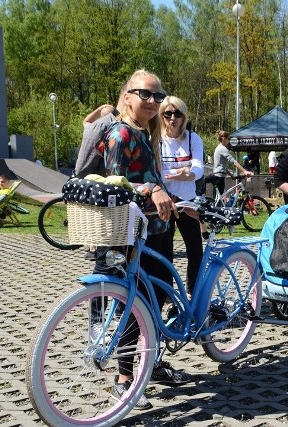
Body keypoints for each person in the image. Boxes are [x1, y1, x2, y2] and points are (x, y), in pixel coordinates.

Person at [93, 69, 191, 406]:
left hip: (159, 227)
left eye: (158, 96)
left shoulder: (146, 134)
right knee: (135, 303)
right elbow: (114, 184)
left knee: (157, 296)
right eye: (145, 94)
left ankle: (152, 360)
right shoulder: (120, 135)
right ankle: (124, 377)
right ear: (127, 97)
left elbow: (150, 178)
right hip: (135, 233)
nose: (153, 102)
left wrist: (173, 200)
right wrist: (151, 188)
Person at [159, 95, 204, 295]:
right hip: (166, 203)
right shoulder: (157, 140)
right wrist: (178, 174)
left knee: (196, 251)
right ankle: (168, 295)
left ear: (184, 116)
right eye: (167, 113)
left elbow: (198, 167)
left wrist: (190, 173)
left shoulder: (193, 138)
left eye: (177, 113)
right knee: (164, 253)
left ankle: (192, 293)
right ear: (161, 116)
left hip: (188, 203)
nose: (172, 118)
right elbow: (157, 173)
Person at [74, 80, 128, 178]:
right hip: (102, 190)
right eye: (143, 94)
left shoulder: (138, 130)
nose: (150, 101)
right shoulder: (102, 126)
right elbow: (82, 172)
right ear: (127, 97)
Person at [205, 131, 252, 198]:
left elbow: (222, 166)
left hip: (216, 175)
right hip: (219, 177)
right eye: (228, 139)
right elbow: (233, 161)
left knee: (217, 199)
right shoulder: (223, 149)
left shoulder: (218, 148)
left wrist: (231, 175)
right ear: (224, 139)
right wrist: (244, 171)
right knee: (219, 201)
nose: (229, 141)